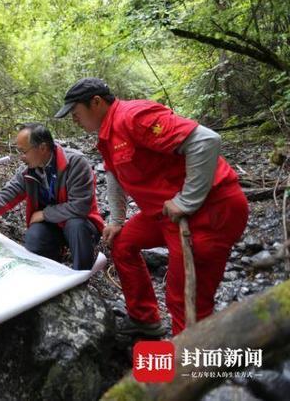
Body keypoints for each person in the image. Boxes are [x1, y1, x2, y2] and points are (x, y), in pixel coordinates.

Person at [54, 77, 248, 337]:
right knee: (122, 243)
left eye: (75, 113)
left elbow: (206, 141)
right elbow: (113, 175)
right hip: (165, 215)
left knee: (186, 299)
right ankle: (145, 319)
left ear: (96, 102)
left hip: (209, 211)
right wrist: (117, 221)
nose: (74, 119)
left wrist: (186, 200)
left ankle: (190, 367)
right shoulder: (107, 133)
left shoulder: (133, 116)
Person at [0, 123, 104, 270]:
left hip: (81, 224)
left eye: (23, 151)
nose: (21, 157)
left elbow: (80, 207)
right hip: (53, 226)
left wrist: (44, 214)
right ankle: (54, 266)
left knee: (76, 225)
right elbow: (6, 195)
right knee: (34, 238)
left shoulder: (75, 163)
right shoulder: (29, 170)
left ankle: (82, 273)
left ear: (43, 148)